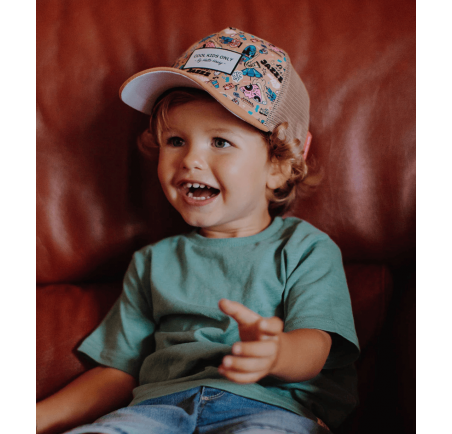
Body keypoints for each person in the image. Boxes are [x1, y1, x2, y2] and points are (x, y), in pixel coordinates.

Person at [36, 27, 360, 434]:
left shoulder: (306, 249)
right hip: (156, 412)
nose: (190, 159)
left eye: (220, 142)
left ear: (279, 166)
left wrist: (276, 353)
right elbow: (117, 373)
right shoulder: (152, 262)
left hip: (268, 410)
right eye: (175, 140)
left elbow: (316, 347)